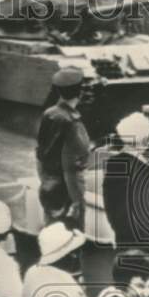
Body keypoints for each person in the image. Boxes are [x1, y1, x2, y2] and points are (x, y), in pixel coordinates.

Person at [35, 68, 90, 230]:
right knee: (71, 238)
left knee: (51, 233)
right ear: (80, 91)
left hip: (49, 187)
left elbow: (39, 154)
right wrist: (77, 202)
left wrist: (45, 180)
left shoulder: (49, 114)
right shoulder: (72, 123)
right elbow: (72, 169)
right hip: (67, 193)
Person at [102, 112, 149, 251]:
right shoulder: (144, 172)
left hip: (123, 240)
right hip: (144, 248)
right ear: (144, 140)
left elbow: (112, 207)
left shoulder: (113, 164)